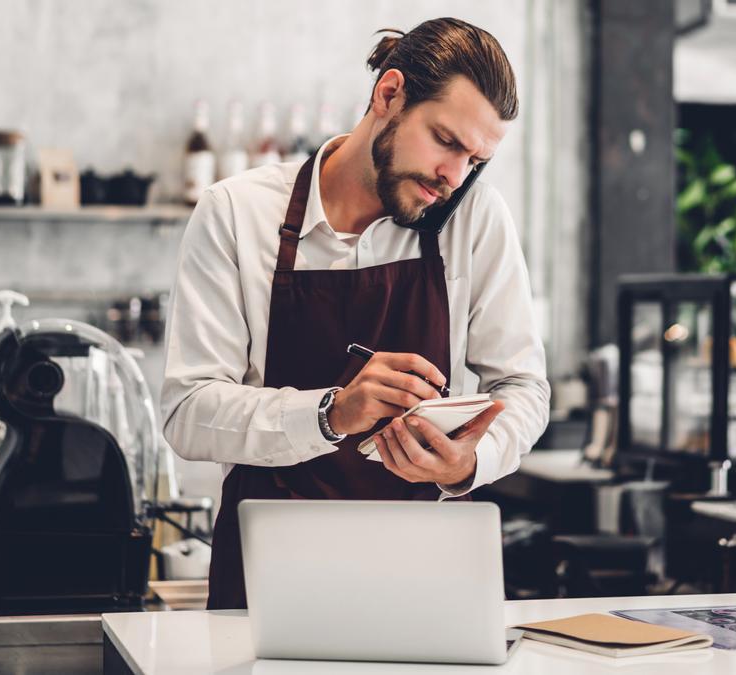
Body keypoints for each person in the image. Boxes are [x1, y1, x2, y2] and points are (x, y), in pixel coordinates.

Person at [160, 17, 550, 609]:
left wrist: (472, 459)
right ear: (389, 94)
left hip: (426, 572)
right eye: (446, 141)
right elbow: (187, 412)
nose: (455, 177)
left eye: (476, 160)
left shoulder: (473, 217)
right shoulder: (235, 213)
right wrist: (331, 412)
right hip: (271, 571)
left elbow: (522, 386)